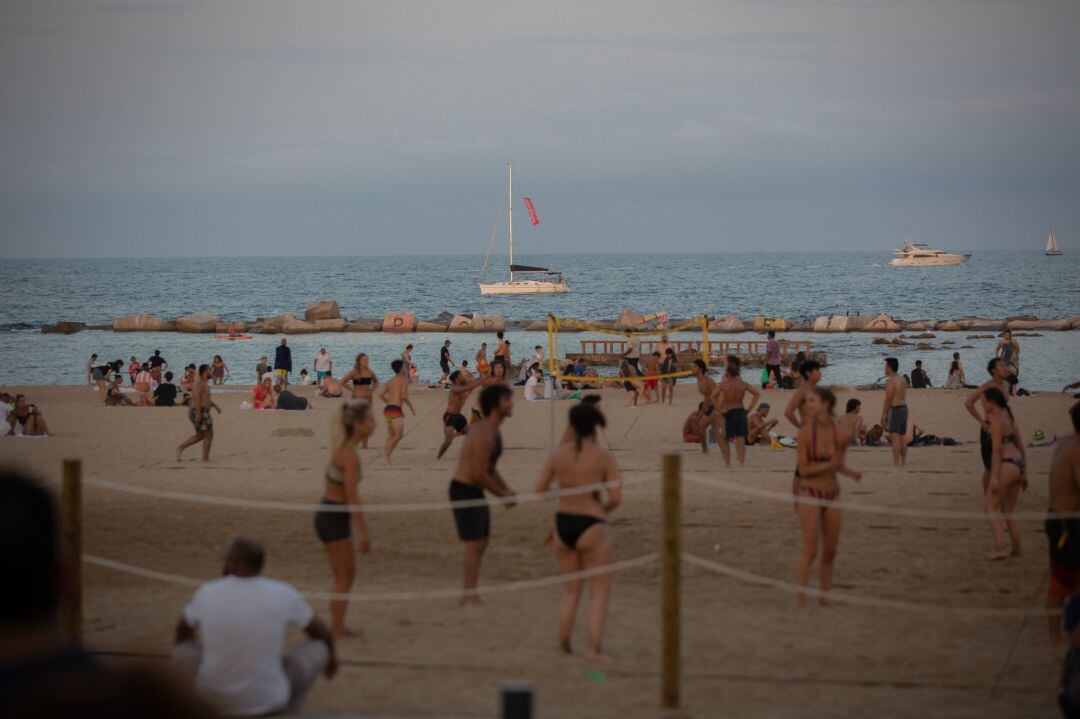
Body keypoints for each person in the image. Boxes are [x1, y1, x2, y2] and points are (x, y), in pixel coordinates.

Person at [172, 536, 337, 716]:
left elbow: (182, 634)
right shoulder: (283, 592)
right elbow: (322, 633)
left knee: (182, 652)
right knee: (319, 648)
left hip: (213, 699)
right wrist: (332, 657)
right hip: (267, 699)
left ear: (232, 563)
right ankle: (290, 710)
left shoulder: (207, 591)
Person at [535, 403, 622, 661]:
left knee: (571, 591)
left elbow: (539, 490)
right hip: (590, 522)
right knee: (598, 593)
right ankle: (592, 650)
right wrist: (601, 511)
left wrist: (564, 495)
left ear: (572, 426)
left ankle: (564, 644)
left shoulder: (558, 455)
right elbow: (616, 497)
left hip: (563, 521)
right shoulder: (602, 456)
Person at [793, 386, 861, 607]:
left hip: (832, 494)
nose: (807, 405)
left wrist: (850, 473)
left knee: (830, 550)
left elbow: (838, 464)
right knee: (811, 549)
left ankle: (825, 598)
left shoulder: (840, 434)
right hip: (810, 493)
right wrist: (830, 464)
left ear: (825, 405)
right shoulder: (804, 434)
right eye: (807, 401)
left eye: (812, 401)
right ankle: (801, 599)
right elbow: (803, 470)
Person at [449, 384, 517, 604]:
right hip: (464, 488)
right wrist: (501, 495)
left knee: (482, 541)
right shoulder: (483, 432)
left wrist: (505, 488)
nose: (512, 404)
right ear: (497, 405)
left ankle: (471, 591)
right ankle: (469, 594)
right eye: (508, 400)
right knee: (475, 543)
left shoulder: (492, 430)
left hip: (474, 488)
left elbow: (490, 468)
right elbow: (478, 472)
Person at [315, 403, 375, 637]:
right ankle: (337, 628)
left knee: (345, 575)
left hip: (331, 513)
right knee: (344, 576)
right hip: (332, 516)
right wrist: (363, 534)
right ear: (358, 425)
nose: (374, 424)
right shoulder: (348, 455)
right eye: (370, 420)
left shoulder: (344, 449)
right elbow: (351, 496)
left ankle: (338, 625)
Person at [1046, 402, 1080, 639]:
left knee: (1062, 577)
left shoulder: (1066, 442)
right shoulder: (1076, 448)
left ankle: (1056, 635)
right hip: (1067, 523)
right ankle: (1058, 636)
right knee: (1063, 579)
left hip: (1056, 518)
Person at [982, 387, 1027, 561]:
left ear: (992, 402)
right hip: (1018, 464)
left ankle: (1001, 548)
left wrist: (994, 477)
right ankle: (1017, 549)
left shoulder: (994, 418)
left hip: (1007, 464)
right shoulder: (1007, 414)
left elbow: (997, 450)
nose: (982, 403)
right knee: (1008, 510)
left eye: (984, 401)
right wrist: (1025, 472)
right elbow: (1020, 443)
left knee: (991, 508)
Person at [965, 357, 1013, 495]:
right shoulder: (988, 387)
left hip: (1006, 427)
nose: (1005, 368)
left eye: (1005, 365)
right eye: (1001, 366)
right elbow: (969, 403)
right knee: (989, 467)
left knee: (1005, 462)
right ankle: (988, 496)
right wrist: (982, 422)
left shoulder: (1006, 384)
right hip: (990, 429)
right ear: (993, 371)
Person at [716, 355, 761, 466]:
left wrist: (719, 409)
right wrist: (749, 409)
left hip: (728, 410)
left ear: (730, 364)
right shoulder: (739, 378)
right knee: (739, 437)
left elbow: (723, 395)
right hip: (740, 410)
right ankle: (740, 460)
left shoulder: (726, 378)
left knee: (726, 437)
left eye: (725, 361)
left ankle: (729, 462)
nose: (723, 362)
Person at [437, 370, 487, 459]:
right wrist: (476, 381)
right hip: (450, 416)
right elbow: (469, 386)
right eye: (461, 376)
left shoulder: (463, 389)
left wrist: (483, 375)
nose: (463, 377)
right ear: (456, 379)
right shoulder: (455, 388)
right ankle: (438, 457)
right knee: (448, 440)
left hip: (459, 417)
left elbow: (475, 383)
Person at [177, 365, 220, 462]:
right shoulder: (200, 383)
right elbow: (196, 398)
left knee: (201, 435)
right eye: (210, 370)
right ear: (205, 372)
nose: (211, 372)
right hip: (200, 410)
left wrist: (215, 406)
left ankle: (181, 448)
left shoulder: (204, 383)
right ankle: (205, 458)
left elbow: (205, 398)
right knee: (209, 435)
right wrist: (198, 413)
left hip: (199, 410)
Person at [379, 359, 416, 464]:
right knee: (398, 435)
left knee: (391, 435)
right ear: (400, 369)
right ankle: (387, 456)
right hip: (396, 410)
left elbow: (381, 394)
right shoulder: (404, 379)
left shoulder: (390, 381)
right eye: (404, 367)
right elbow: (404, 396)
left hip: (388, 410)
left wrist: (388, 402)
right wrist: (411, 407)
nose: (405, 368)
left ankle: (386, 456)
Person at [880, 357, 908, 468]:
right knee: (902, 437)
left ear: (889, 367)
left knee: (895, 437)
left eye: (885, 366)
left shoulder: (891, 381)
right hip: (904, 408)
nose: (884, 368)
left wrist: (883, 414)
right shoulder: (902, 379)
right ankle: (904, 462)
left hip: (895, 409)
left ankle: (896, 463)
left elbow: (888, 399)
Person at [691, 359, 722, 452]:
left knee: (707, 429)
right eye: (692, 367)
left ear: (700, 369)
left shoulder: (707, 381)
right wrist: (701, 413)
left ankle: (707, 450)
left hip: (718, 406)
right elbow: (706, 398)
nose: (692, 369)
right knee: (700, 429)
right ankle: (705, 450)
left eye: (694, 367)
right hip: (711, 407)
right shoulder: (699, 381)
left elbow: (718, 395)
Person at [996, 329, 1021, 393]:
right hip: (1003, 361)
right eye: (1005, 334)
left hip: (1012, 361)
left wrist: (1015, 356)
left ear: (1010, 335)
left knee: (1014, 373)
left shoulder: (1013, 341)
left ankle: (1013, 391)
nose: (1006, 336)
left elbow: (1018, 350)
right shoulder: (1001, 342)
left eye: (1007, 334)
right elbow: (997, 350)